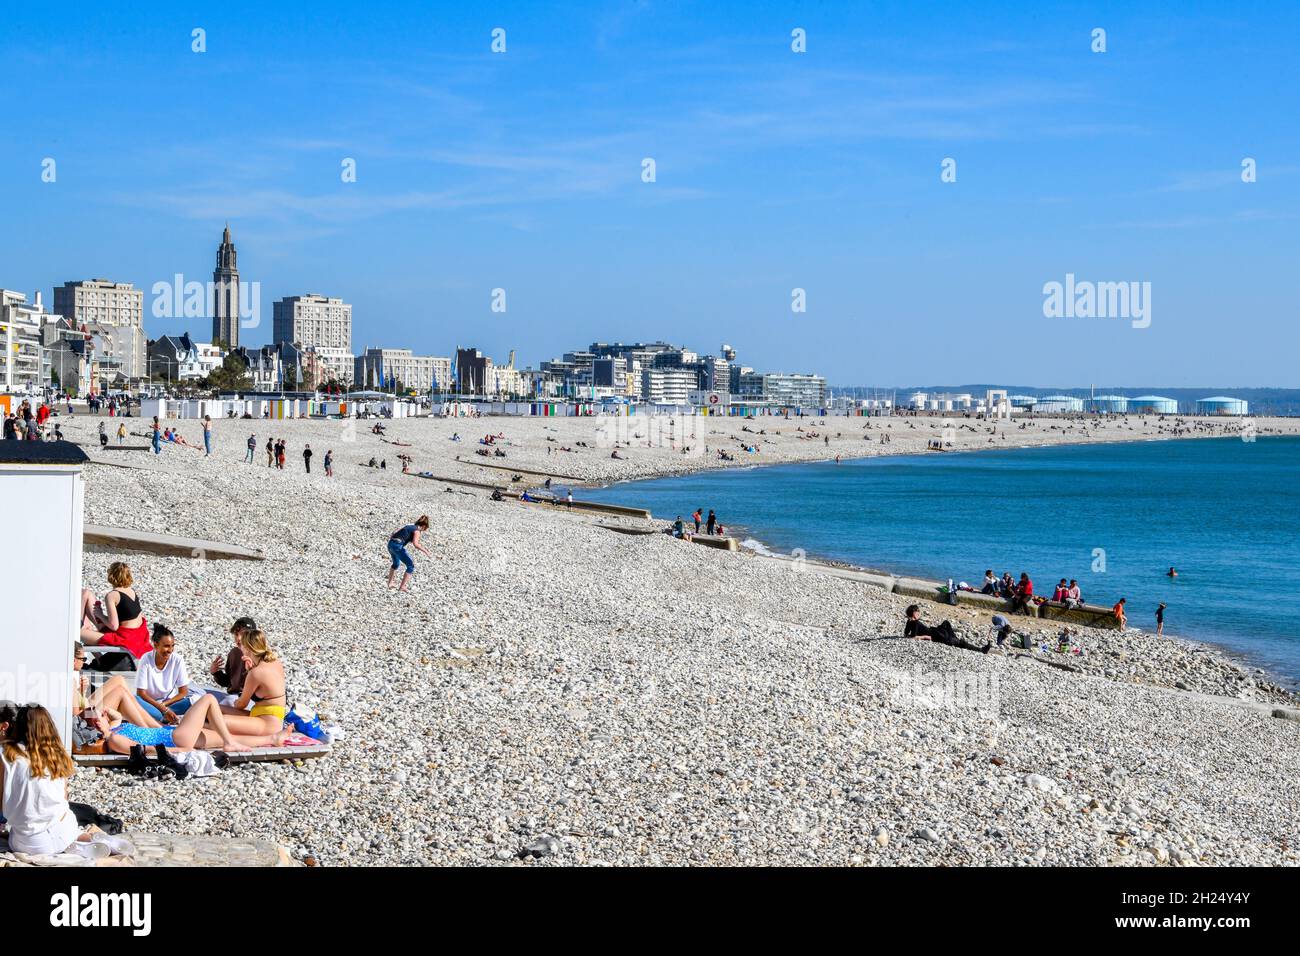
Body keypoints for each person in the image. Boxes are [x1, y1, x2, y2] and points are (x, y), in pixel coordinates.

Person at [0, 706, 102, 856]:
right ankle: (83, 840)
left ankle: (75, 844)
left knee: (17, 833)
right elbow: (63, 798)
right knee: (65, 821)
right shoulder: (58, 755)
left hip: (28, 843)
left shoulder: (6, 754)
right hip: (63, 830)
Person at [103, 694, 288, 755]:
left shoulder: (115, 728)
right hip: (174, 739)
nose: (102, 717)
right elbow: (146, 750)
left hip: (172, 734)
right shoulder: (115, 738)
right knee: (208, 699)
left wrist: (108, 715)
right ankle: (229, 742)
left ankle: (272, 738)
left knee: (223, 739)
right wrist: (182, 750)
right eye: (99, 719)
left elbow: (116, 715)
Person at [82, 562, 150, 658]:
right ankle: (86, 627)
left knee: (78, 634)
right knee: (87, 594)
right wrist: (100, 615)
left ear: (111, 576)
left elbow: (114, 626)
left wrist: (100, 614)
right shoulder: (131, 591)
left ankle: (101, 660)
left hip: (124, 638)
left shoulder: (112, 595)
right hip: (137, 635)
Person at [134, 625, 198, 723]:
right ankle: (165, 717)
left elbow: (183, 692)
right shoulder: (146, 659)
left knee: (196, 699)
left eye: (172, 646)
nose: (170, 650)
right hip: (151, 704)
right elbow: (141, 693)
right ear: (155, 645)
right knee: (134, 699)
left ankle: (161, 717)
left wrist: (164, 705)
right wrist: (162, 708)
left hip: (170, 704)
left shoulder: (177, 659)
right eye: (166, 646)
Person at [208, 616, 258, 704]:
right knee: (199, 695)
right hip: (233, 696)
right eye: (236, 634)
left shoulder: (259, 655)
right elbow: (229, 682)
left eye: (243, 634)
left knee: (214, 705)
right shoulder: (234, 653)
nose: (238, 638)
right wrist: (216, 673)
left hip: (250, 700)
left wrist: (251, 672)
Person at [903, 605, 991, 653]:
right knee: (960, 643)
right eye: (917, 611)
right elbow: (913, 637)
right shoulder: (915, 622)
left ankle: (954, 638)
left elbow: (906, 634)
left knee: (946, 622)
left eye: (919, 611)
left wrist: (910, 635)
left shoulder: (909, 621)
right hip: (936, 636)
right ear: (913, 613)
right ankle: (981, 650)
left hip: (935, 632)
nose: (919, 613)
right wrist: (926, 637)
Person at [387, 516, 431, 591]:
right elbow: (416, 544)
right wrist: (426, 551)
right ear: (424, 526)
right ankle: (402, 586)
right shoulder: (417, 531)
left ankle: (390, 583)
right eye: (425, 529)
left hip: (390, 544)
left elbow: (394, 533)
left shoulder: (409, 526)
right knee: (410, 565)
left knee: (396, 564)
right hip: (398, 546)